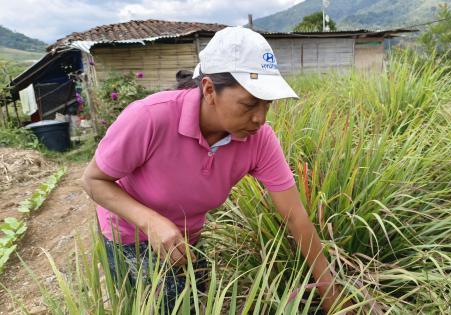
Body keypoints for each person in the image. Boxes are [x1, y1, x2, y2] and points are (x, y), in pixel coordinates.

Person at [82, 26, 348, 314]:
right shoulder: (149, 117)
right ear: (209, 90)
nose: (260, 118)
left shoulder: (258, 139)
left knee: (194, 300)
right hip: (130, 234)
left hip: (187, 237)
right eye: (249, 104)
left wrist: (332, 296)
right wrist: (151, 222)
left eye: (267, 105)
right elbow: (93, 180)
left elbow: (296, 217)